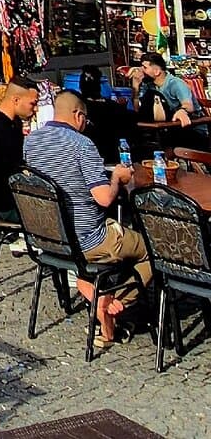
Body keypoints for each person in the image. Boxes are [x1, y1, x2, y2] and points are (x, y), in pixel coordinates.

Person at [24, 89, 151, 349]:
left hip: (49, 238)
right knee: (152, 250)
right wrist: (117, 177)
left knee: (105, 250)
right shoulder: (82, 145)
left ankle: (100, 297)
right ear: (78, 115)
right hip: (89, 240)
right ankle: (114, 300)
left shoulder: (31, 142)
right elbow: (104, 199)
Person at [0, 76, 39, 221]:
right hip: (5, 204)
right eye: (33, 104)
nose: (36, 109)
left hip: (17, 196)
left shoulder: (14, 123)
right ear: (16, 100)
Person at [130, 52, 197, 126]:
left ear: (157, 71)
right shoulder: (149, 85)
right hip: (163, 125)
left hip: (190, 126)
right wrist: (135, 86)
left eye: (145, 68)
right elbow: (137, 110)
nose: (141, 70)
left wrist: (182, 111)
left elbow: (189, 106)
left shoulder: (176, 83)